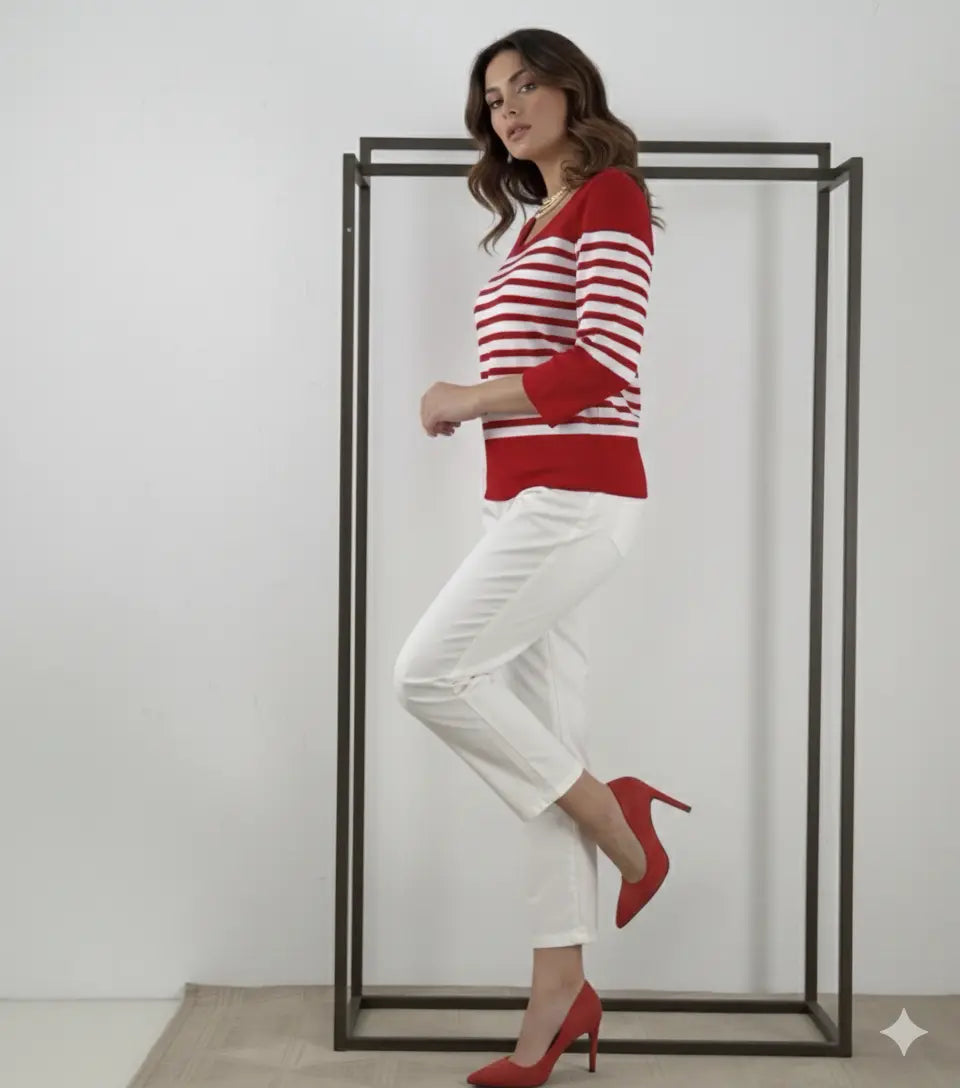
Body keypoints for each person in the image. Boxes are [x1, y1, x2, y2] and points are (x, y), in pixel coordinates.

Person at [392, 27, 690, 1088]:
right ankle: (560, 991)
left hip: (578, 497)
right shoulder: (535, 224)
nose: (507, 107)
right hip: (521, 502)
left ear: (572, 91)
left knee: (428, 674)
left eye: (525, 85)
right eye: (491, 97)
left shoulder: (611, 196)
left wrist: (465, 396)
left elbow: (605, 361)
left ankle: (621, 822)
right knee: (542, 750)